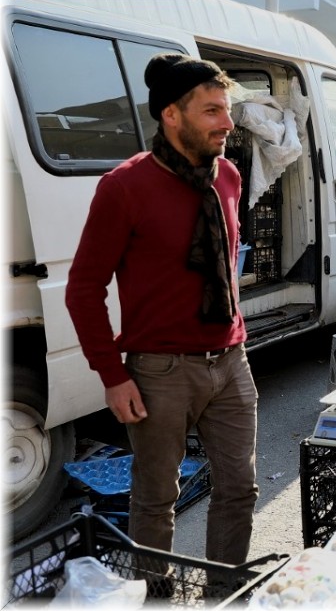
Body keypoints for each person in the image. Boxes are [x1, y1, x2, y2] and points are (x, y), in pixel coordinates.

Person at [64, 54, 259, 569]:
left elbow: (226, 265)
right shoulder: (124, 186)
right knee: (155, 499)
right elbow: (83, 288)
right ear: (171, 115)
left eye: (227, 109)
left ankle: (226, 592)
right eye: (212, 111)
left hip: (231, 359)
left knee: (240, 488)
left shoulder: (230, 177)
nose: (227, 122)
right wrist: (112, 374)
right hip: (159, 369)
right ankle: (154, 595)